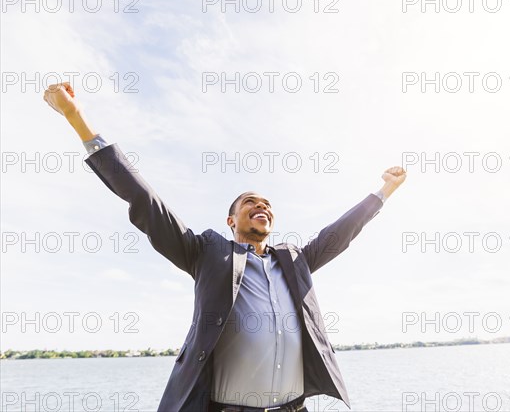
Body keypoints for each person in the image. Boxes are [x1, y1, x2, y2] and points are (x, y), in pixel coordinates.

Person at [43, 82, 407, 412]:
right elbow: (145, 201)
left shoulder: (297, 261)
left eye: (267, 204)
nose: (261, 206)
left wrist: (384, 191)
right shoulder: (205, 254)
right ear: (231, 220)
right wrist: (77, 119)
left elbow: (339, 234)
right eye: (250, 202)